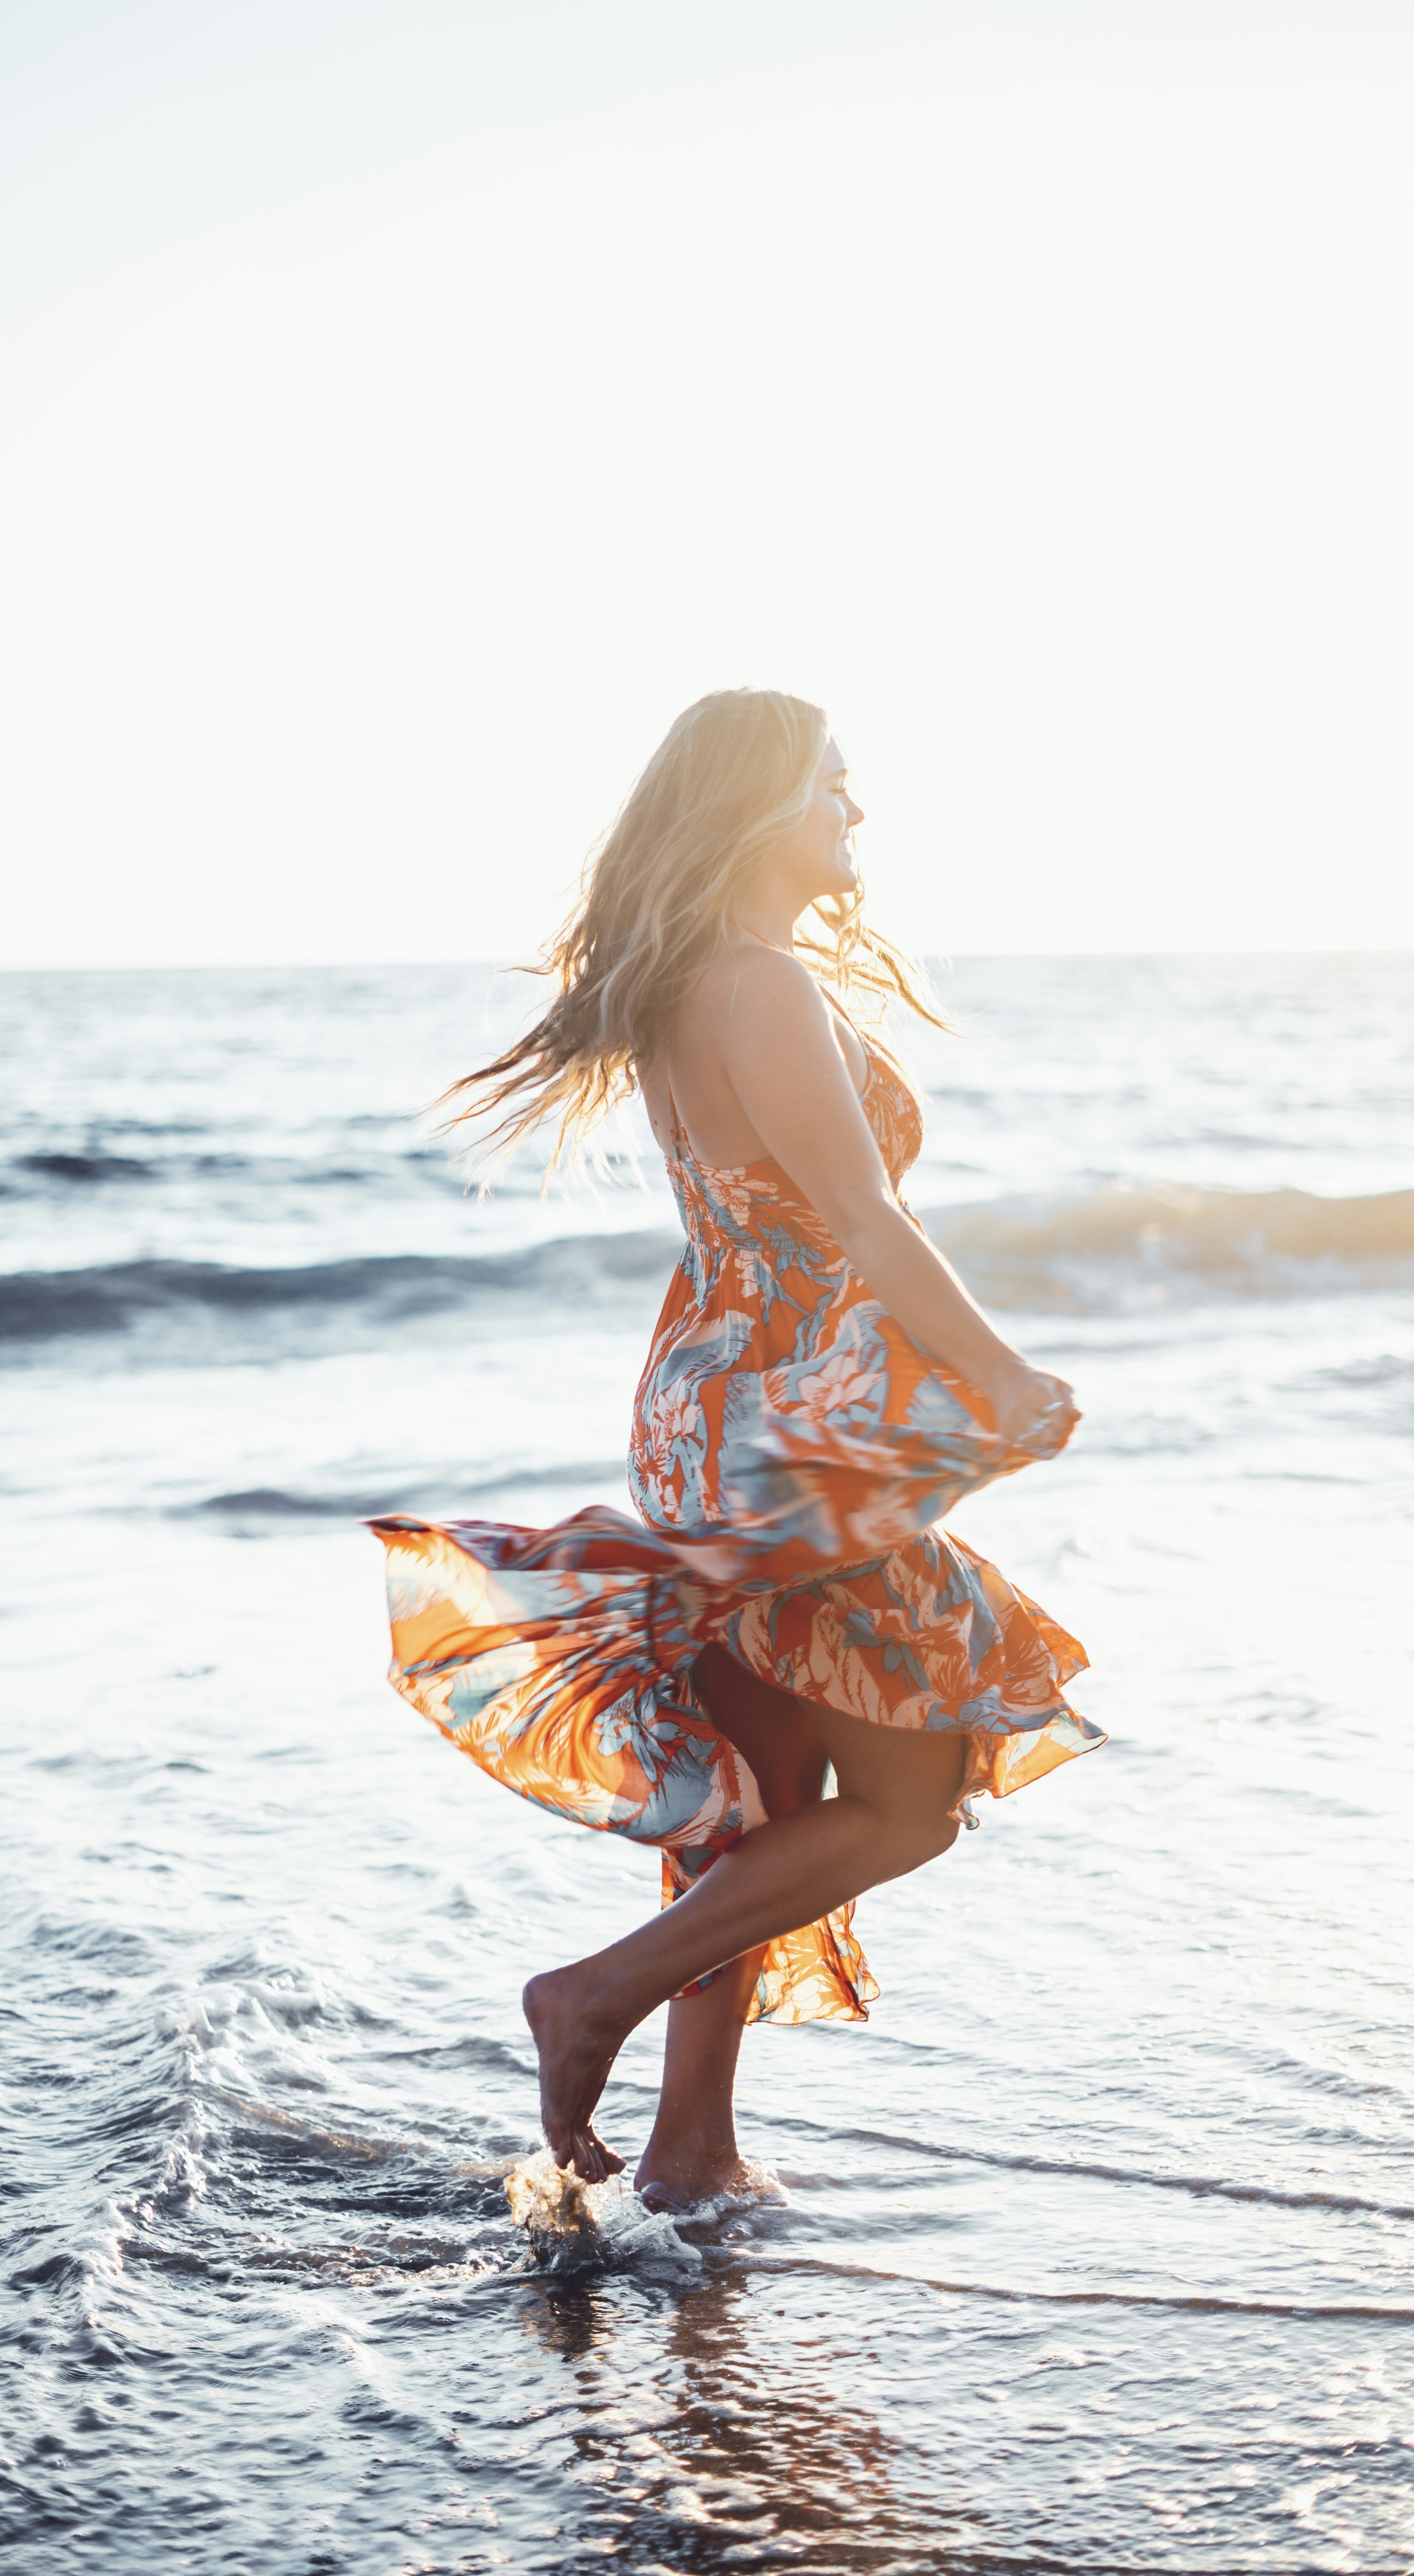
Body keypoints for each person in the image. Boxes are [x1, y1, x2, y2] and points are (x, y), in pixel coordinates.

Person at [370, 688, 1103, 2208]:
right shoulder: (758, 984)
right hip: (785, 1427)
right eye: (837, 786)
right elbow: (865, 1221)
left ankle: (690, 2150)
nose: (858, 814)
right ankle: (589, 1998)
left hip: (718, 1404)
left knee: (757, 1801)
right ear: (766, 805)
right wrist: (1004, 1376)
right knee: (908, 1800)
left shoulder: (703, 981)